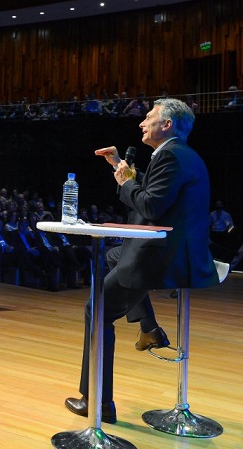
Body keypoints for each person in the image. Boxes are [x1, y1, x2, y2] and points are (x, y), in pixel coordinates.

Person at [65, 98, 219, 424]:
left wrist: (124, 182)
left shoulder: (173, 157)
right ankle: (149, 328)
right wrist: (121, 166)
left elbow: (149, 206)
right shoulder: (178, 155)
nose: (141, 123)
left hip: (165, 258)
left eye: (148, 117)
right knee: (114, 254)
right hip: (176, 253)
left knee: (96, 310)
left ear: (167, 125)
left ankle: (97, 404)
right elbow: (154, 194)